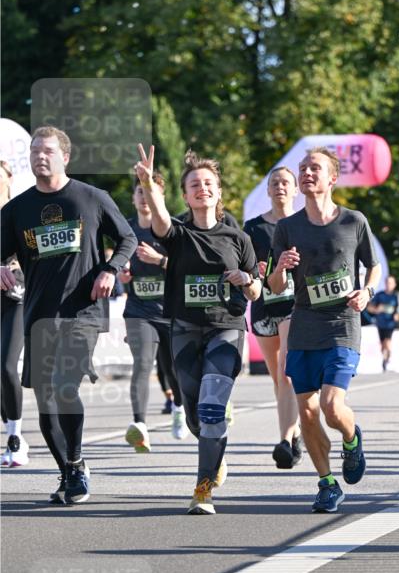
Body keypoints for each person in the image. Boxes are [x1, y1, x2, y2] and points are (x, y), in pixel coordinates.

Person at [0, 126, 136, 504]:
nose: (40, 157)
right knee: (45, 404)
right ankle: (69, 472)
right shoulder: (16, 210)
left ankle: (75, 464)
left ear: (65, 157)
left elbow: (128, 238)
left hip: (83, 311)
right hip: (38, 316)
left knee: (63, 385)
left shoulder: (91, 198)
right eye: (34, 151)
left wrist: (111, 270)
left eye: (47, 151)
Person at [135, 145, 261, 514]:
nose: (202, 188)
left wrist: (245, 280)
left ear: (219, 192)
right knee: (193, 414)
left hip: (226, 329)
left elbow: (256, 290)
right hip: (185, 329)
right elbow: (158, 222)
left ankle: (203, 489)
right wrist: (147, 183)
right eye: (194, 184)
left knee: (210, 409)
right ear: (186, 195)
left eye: (209, 183)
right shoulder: (177, 232)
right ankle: (215, 457)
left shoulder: (238, 239)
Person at [268, 147, 380, 512]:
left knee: (333, 406)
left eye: (314, 167)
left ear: (332, 177)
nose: (307, 173)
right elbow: (272, 285)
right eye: (303, 168)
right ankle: (327, 483)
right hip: (304, 325)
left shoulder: (353, 221)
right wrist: (281, 266)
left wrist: (367, 291)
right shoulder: (287, 228)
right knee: (309, 413)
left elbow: (372, 267)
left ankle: (351, 439)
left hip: (342, 324)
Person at [118, 173, 186, 453]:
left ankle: (180, 409)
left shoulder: (170, 229)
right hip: (138, 311)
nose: (145, 198)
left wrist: (160, 260)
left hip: (170, 311)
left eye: (151, 192)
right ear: (134, 198)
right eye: (140, 192)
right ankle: (140, 426)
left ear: (160, 197)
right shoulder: (127, 231)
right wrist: (121, 271)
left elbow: (187, 267)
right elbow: (114, 262)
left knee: (173, 369)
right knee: (142, 365)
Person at [243, 165, 303, 469]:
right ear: (267, 191)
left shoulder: (305, 225)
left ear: (295, 190)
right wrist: (253, 273)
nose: (280, 187)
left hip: (296, 304)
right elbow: (244, 264)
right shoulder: (253, 228)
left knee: (286, 369)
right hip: (265, 305)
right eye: (274, 183)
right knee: (278, 377)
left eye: (285, 183)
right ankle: (295, 429)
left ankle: (285, 440)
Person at [0, 159, 29, 467]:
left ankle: (16, 437)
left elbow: (35, 252)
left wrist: (19, 265)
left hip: (16, 297)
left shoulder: (21, 211)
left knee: (7, 366)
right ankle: (11, 430)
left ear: (9, 179)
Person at [367, 274, 399, 371]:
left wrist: (397, 315)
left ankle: (386, 361)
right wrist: (376, 310)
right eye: (387, 282)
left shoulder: (396, 296)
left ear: (394, 284)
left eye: (390, 283)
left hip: (390, 323)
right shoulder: (379, 295)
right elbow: (370, 307)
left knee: (388, 342)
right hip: (380, 323)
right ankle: (385, 358)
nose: (388, 284)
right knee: (383, 345)